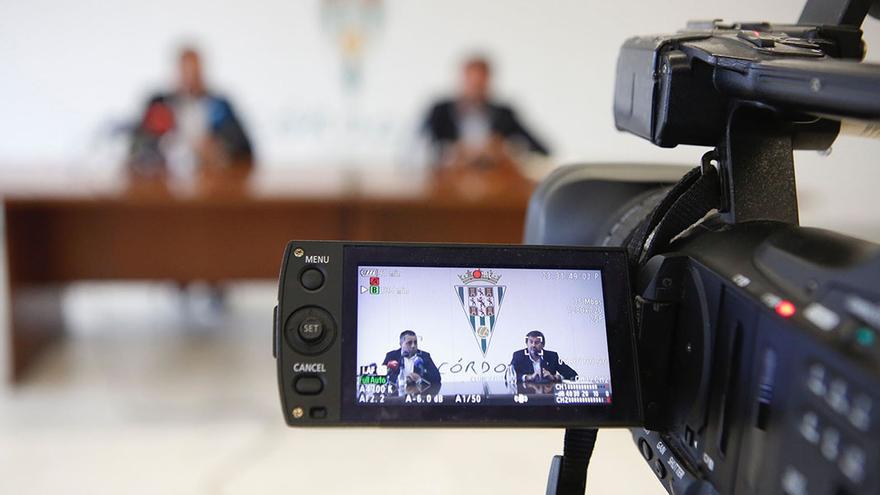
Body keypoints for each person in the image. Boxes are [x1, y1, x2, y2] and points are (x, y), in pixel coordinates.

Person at [129, 47, 253, 176]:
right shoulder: (158, 104)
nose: (190, 79)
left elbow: (245, 149)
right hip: (165, 182)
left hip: (212, 180)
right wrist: (165, 146)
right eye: (186, 71)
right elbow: (137, 148)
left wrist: (219, 148)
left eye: (195, 72)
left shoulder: (221, 105)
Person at [421, 55, 549, 168]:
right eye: (472, 82)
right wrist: (452, 152)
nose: (476, 89)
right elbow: (419, 150)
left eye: (480, 83)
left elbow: (541, 149)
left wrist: (507, 150)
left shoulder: (505, 114)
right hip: (445, 187)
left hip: (497, 187)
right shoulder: (440, 111)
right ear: (462, 81)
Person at [510, 330, 577, 383]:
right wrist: (528, 377)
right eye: (531, 342)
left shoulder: (552, 356)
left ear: (543, 345)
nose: (533, 345)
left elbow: (573, 375)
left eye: (537, 342)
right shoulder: (518, 356)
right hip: (527, 395)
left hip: (548, 395)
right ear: (526, 343)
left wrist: (554, 377)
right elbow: (509, 376)